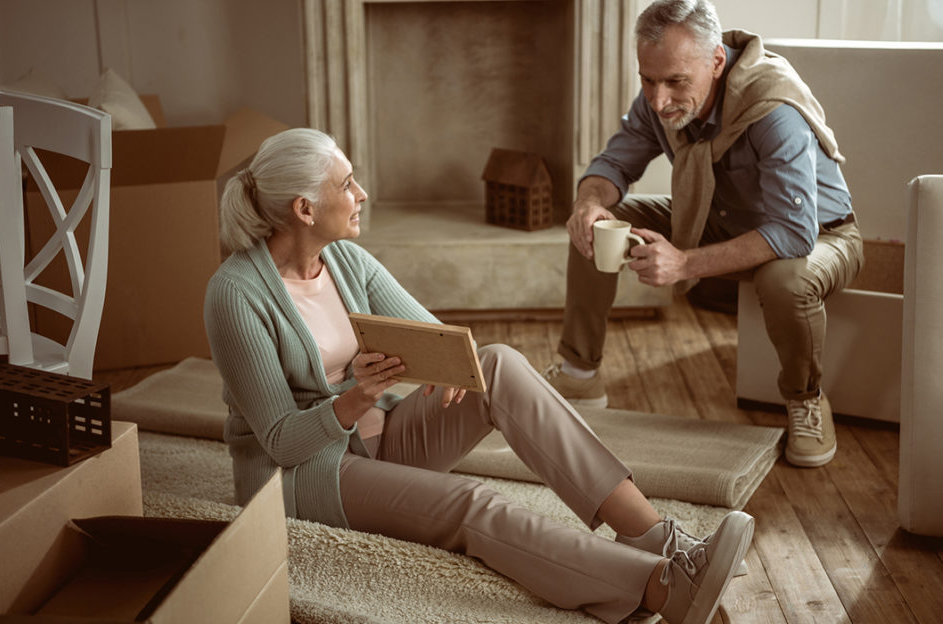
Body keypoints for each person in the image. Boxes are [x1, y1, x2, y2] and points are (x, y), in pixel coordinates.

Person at [204, 127, 753, 624]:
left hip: (378, 438)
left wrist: (450, 368)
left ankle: (655, 537)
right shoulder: (236, 294)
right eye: (347, 184)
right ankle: (661, 589)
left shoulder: (345, 260)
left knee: (497, 363)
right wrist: (355, 398)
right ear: (304, 208)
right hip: (304, 477)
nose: (362, 194)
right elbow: (279, 443)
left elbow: (438, 343)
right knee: (472, 502)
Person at [544, 0, 864, 469]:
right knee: (603, 224)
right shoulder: (662, 96)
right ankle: (580, 372)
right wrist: (589, 203)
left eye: (675, 81)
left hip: (822, 234)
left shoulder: (773, 110)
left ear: (716, 61)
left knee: (785, 281)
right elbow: (615, 164)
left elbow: (793, 233)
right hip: (723, 219)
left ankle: (807, 400)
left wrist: (685, 263)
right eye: (648, 80)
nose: (658, 99)